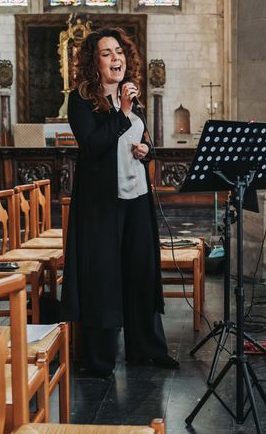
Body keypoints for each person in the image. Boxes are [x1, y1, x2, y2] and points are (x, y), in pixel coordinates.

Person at [60, 27, 179, 377]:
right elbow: (94, 144)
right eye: (107, 53)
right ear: (94, 62)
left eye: (120, 52)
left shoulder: (132, 96)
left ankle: (147, 349)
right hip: (102, 205)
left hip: (136, 198)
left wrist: (147, 151)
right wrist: (122, 112)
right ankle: (99, 359)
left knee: (141, 272)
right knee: (103, 277)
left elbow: (139, 141)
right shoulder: (80, 99)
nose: (116, 59)